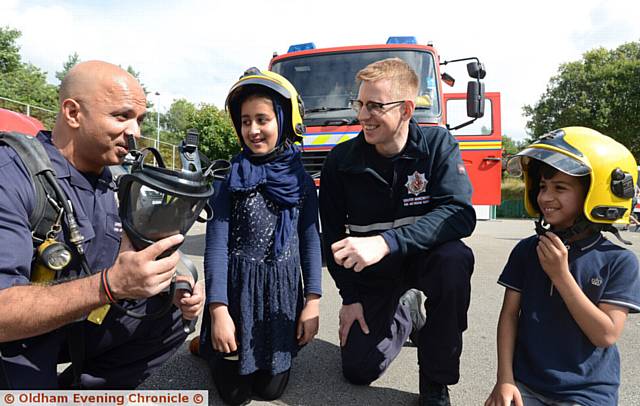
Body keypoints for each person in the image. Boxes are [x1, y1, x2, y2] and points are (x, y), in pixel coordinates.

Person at [0, 61, 204, 389]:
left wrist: (180, 277)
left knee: (171, 314)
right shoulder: (12, 175)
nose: (135, 132)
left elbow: (140, 250)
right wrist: (109, 286)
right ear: (73, 113)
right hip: (19, 337)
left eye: (139, 120)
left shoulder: (117, 181)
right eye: (121, 116)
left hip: (81, 320)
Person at [319, 57, 476, 406]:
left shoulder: (438, 146)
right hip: (374, 277)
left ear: (406, 109)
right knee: (358, 371)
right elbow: (331, 237)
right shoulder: (340, 162)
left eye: (374, 105)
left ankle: (435, 381)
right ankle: (407, 309)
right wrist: (350, 298)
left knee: (454, 259)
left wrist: (387, 242)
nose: (362, 115)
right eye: (359, 104)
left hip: (425, 263)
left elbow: (460, 214)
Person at [485, 127, 640, 406]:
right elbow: (509, 315)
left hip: (586, 393)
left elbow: (605, 334)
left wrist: (561, 275)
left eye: (560, 188)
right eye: (543, 186)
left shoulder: (619, 262)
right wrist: (505, 380)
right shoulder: (527, 250)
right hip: (526, 385)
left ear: (595, 193)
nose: (545, 197)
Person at [197, 68, 322, 405]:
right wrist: (218, 311)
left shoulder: (302, 183)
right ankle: (209, 343)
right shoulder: (228, 181)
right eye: (245, 120)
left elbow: (311, 242)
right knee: (236, 397)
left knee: (269, 391)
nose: (252, 129)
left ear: (285, 119)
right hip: (237, 297)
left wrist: (312, 301)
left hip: (280, 297)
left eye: (262, 119)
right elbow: (217, 248)